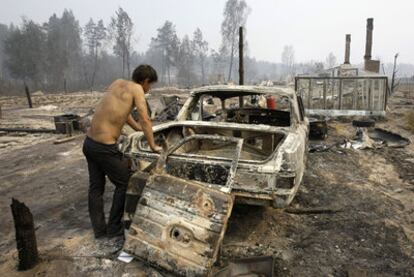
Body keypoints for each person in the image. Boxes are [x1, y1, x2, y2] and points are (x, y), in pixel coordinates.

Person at [82, 64, 162, 238]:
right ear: (146, 81)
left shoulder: (117, 83)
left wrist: (137, 130)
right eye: (151, 85)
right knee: (124, 182)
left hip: (89, 144)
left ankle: (100, 231)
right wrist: (153, 145)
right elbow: (145, 118)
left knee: (96, 188)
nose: (149, 89)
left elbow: (123, 114)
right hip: (104, 147)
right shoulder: (137, 89)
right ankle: (114, 228)